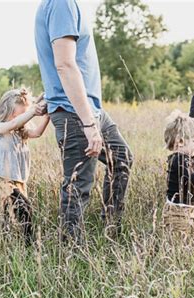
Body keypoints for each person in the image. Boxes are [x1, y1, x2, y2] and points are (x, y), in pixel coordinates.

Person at [34, 0, 133, 242]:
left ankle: (110, 229)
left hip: (89, 109)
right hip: (76, 113)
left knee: (121, 159)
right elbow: (65, 64)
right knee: (78, 186)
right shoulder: (61, 3)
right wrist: (89, 124)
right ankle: (69, 253)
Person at [0, 88, 49, 245]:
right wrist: (32, 111)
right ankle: (29, 244)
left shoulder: (21, 132)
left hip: (16, 178)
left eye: (23, 115)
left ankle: (7, 242)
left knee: (9, 213)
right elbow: (13, 124)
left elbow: (38, 133)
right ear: (7, 110)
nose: (22, 120)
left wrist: (47, 117)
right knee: (24, 207)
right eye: (19, 115)